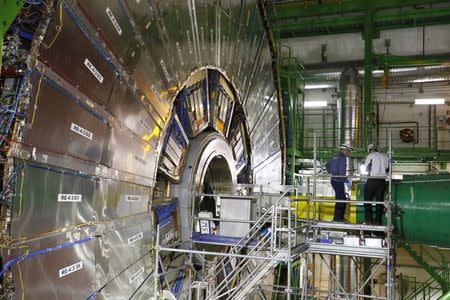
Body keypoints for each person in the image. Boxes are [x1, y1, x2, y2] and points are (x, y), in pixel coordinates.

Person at [363, 143, 389, 225]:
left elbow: (367, 169)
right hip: (381, 182)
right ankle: (378, 221)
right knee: (379, 202)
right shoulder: (385, 157)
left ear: (370, 150)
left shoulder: (370, 156)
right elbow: (387, 170)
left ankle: (368, 221)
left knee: (367, 201)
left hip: (372, 181)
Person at [326, 144, 353, 222]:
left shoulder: (335, 156)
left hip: (335, 180)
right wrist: (348, 182)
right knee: (340, 199)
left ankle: (340, 217)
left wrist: (332, 173)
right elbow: (341, 172)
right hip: (338, 181)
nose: (349, 153)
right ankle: (337, 218)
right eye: (349, 151)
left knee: (342, 198)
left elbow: (327, 165)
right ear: (345, 150)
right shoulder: (342, 158)